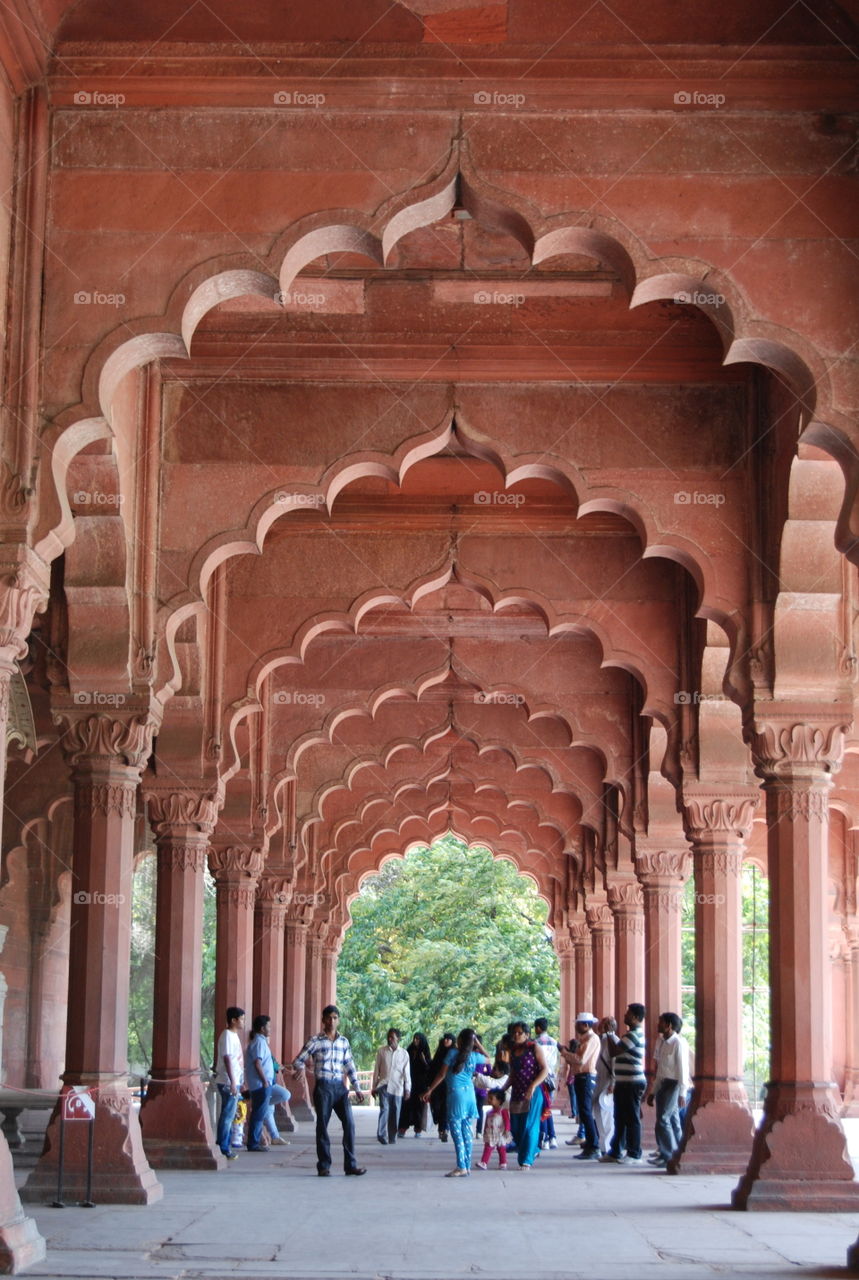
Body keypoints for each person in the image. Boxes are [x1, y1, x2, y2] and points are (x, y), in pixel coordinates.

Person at [291, 1004, 366, 1177]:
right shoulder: (315, 1041)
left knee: (349, 1124)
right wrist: (301, 1069)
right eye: (329, 1018)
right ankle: (324, 1165)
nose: (332, 1021)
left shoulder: (344, 1042)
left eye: (335, 1018)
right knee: (322, 1127)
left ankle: (351, 1165)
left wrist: (357, 1087)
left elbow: (349, 1065)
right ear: (323, 1020)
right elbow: (298, 1060)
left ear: (338, 1020)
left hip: (340, 1087)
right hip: (323, 1087)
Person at [423, 1028, 490, 1176]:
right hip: (470, 1095)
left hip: (456, 1095)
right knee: (467, 1131)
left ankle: (461, 1166)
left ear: (459, 1040)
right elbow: (489, 1058)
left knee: (456, 1132)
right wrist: (477, 1043)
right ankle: (466, 1166)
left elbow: (441, 1074)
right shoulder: (474, 1056)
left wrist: (430, 1090)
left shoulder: (452, 1054)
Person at [601, 1002, 647, 1164]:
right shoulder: (629, 1035)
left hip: (632, 1082)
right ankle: (615, 1151)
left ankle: (634, 1153)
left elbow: (614, 1051)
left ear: (635, 1017)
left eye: (627, 1014)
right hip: (624, 1081)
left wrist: (608, 1033)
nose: (624, 1016)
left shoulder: (633, 1035)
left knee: (632, 1118)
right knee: (619, 1117)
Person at [646, 1011, 692, 1167]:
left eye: (660, 1022)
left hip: (674, 1084)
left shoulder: (678, 1043)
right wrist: (653, 1092)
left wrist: (682, 1092)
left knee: (664, 1120)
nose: (657, 1025)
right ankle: (678, 1153)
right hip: (664, 1084)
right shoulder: (664, 1042)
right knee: (672, 1120)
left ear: (669, 1025)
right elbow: (660, 1071)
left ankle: (668, 1156)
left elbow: (683, 1070)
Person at [501, 1021, 548, 1169]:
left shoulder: (534, 1047)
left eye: (520, 1033)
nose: (516, 1035)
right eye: (514, 1032)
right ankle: (533, 1149)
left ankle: (526, 1160)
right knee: (516, 1128)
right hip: (517, 1092)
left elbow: (545, 1069)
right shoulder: (513, 1051)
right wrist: (503, 1088)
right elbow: (513, 1074)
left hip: (533, 1093)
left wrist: (532, 1086)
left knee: (529, 1126)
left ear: (527, 1035)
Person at [560, 1013, 600, 1160]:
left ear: (586, 1025)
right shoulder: (584, 1039)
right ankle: (590, 1143)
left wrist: (565, 1053)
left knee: (586, 1111)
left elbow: (581, 1060)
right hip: (581, 1077)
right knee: (584, 1112)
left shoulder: (592, 1039)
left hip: (586, 1077)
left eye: (578, 1024)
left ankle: (594, 1146)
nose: (576, 1027)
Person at [371, 1027, 411, 1145]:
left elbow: (406, 1074)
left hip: (397, 1087)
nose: (390, 1039)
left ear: (398, 1039)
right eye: (388, 1037)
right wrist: (374, 1087)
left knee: (395, 1112)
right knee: (384, 1109)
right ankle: (382, 1135)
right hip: (384, 1085)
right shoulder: (381, 1051)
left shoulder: (404, 1054)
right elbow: (376, 1070)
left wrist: (407, 1089)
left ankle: (392, 1137)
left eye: (392, 1037)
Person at [214, 1006, 245, 1160]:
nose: (243, 1022)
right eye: (242, 1019)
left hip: (233, 1080)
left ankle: (223, 1145)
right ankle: (223, 1148)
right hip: (227, 1081)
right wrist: (233, 1081)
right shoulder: (227, 1035)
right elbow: (227, 1058)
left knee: (229, 1114)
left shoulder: (234, 1035)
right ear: (233, 1020)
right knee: (227, 1115)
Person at [244, 1014, 275, 1151]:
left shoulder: (259, 1041)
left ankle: (254, 1142)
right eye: (268, 1026)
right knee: (258, 1114)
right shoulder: (259, 1042)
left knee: (259, 1113)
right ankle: (253, 1143)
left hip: (260, 1084)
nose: (270, 1029)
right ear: (262, 1028)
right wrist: (265, 1081)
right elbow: (258, 1063)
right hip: (260, 1084)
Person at [399, 1033, 432, 1137]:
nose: (415, 1041)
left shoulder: (425, 1052)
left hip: (421, 1084)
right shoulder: (409, 1050)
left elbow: (430, 1069)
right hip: (409, 1082)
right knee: (406, 1106)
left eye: (418, 1039)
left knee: (419, 1107)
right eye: (414, 1039)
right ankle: (402, 1129)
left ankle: (418, 1130)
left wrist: (424, 1060)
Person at [594, 1016, 619, 1156]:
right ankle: (603, 1146)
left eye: (602, 1024)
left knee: (607, 1115)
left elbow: (615, 1063)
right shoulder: (602, 1040)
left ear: (608, 1026)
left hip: (608, 1083)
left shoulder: (613, 1040)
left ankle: (607, 1148)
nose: (598, 1026)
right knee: (599, 1113)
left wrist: (613, 1083)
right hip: (599, 1080)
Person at [533, 1017, 559, 1149]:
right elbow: (556, 1061)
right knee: (547, 1107)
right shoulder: (554, 1042)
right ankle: (552, 1137)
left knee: (541, 1109)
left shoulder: (535, 1043)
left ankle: (545, 1138)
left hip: (540, 1078)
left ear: (538, 1028)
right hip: (551, 1078)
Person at [429, 1032, 455, 1141]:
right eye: (445, 1039)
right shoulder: (439, 1052)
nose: (446, 1041)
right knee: (436, 1107)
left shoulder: (454, 1054)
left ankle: (443, 1130)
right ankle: (440, 1124)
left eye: (449, 1039)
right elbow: (433, 1068)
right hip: (436, 1085)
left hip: (448, 1084)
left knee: (445, 1107)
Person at [476, 1088, 511, 1169]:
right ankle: (484, 1162)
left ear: (499, 1100)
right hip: (490, 1134)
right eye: (488, 1098)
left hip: (500, 1134)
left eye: (491, 1098)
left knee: (501, 1148)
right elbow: (486, 1123)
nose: (488, 1100)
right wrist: (484, 1131)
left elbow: (507, 1121)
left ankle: (503, 1162)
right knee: (488, 1147)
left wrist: (507, 1130)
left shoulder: (503, 1111)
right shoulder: (489, 1112)